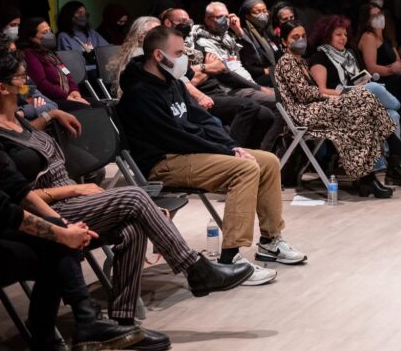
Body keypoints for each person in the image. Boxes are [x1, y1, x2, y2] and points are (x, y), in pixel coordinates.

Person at [0, 46, 254, 351]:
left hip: (71, 201)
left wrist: (52, 113)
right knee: (135, 197)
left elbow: (29, 137)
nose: (28, 81)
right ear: (2, 88)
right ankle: (194, 269)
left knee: (131, 228)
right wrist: (72, 189)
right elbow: (16, 197)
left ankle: (122, 325)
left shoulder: (20, 120)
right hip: (52, 209)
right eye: (21, 77)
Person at [0, 66, 142, 351]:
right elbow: (1, 209)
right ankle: (54, 346)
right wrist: (62, 233)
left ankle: (67, 336)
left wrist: (60, 223)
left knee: (56, 242)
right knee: (54, 249)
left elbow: (15, 188)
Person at [118, 26, 306, 277]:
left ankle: (271, 242)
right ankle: (230, 260)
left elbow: (201, 119)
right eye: (178, 53)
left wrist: (232, 146)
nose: (184, 58)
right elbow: (176, 137)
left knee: (268, 161)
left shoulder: (172, 83)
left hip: (188, 153)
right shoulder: (138, 95)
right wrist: (226, 153)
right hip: (163, 162)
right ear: (158, 55)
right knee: (245, 168)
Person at [272, 20, 394, 197]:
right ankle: (383, 161)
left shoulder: (302, 61)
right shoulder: (287, 61)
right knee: (363, 98)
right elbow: (304, 94)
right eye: (295, 37)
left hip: (316, 108)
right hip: (302, 112)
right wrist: (333, 95)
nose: (301, 40)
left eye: (303, 36)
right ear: (284, 41)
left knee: (360, 114)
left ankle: (367, 179)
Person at [308, 15, 401, 187]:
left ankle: (393, 170)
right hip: (336, 103)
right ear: (327, 35)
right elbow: (320, 90)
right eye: (338, 34)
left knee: (392, 114)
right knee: (374, 88)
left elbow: (358, 80)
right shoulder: (319, 57)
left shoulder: (349, 55)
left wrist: (361, 85)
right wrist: (348, 91)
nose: (343, 38)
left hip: (357, 101)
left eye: (345, 34)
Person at [162, 7, 275, 151]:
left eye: (189, 20)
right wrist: (207, 68)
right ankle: (231, 153)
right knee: (249, 107)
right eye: (182, 21)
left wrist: (203, 68)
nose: (187, 24)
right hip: (201, 96)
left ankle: (252, 155)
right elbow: (187, 79)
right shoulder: (176, 47)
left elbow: (221, 67)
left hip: (220, 89)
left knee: (266, 116)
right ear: (167, 23)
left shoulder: (193, 44)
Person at [17, 17, 91, 110]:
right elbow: (41, 84)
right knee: (86, 108)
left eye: (49, 30)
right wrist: (67, 97)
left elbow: (66, 73)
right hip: (50, 100)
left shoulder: (50, 53)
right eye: (44, 32)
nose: (50, 34)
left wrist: (74, 92)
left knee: (99, 105)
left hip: (68, 96)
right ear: (32, 38)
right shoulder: (29, 54)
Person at [56, 1, 109, 80]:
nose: (83, 16)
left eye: (85, 13)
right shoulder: (64, 36)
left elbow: (107, 49)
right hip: (81, 73)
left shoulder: (91, 33)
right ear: (69, 15)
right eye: (79, 13)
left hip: (99, 70)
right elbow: (68, 63)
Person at [236, 0, 281, 87]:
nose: (263, 15)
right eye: (257, 12)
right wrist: (266, 70)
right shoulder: (242, 35)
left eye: (264, 11)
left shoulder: (265, 32)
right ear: (247, 16)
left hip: (272, 72)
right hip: (256, 77)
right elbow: (245, 65)